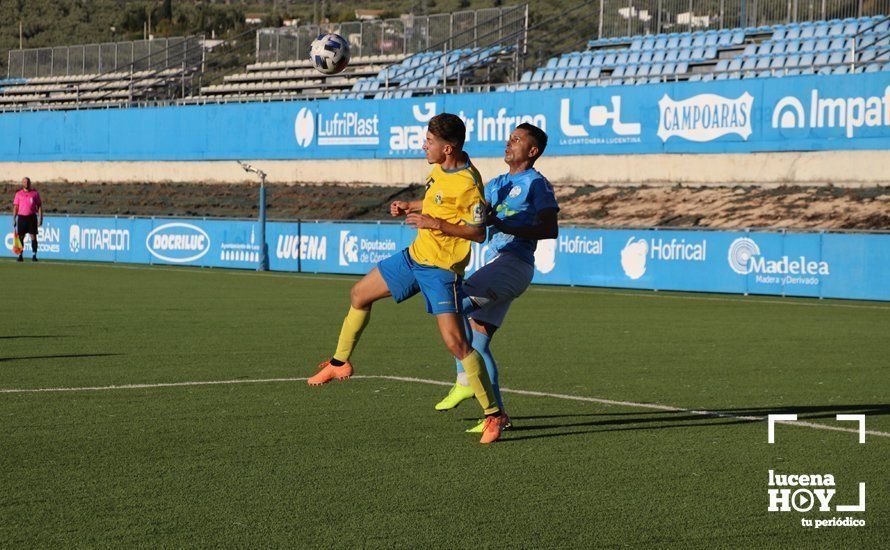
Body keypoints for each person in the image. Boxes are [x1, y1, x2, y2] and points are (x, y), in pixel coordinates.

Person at [307, 113, 509, 444]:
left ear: (448, 148)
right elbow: (436, 200)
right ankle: (338, 363)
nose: (423, 146)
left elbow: (477, 232)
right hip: (414, 257)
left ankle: (493, 416)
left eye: (429, 142)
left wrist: (436, 225)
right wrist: (410, 206)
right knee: (359, 294)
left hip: (442, 271)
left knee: (458, 344)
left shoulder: (470, 184)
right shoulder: (439, 169)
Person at [433, 123, 559, 432]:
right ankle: (497, 416)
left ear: (533, 151)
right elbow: (474, 216)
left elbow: (549, 229)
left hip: (514, 263)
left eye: (517, 140)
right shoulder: (498, 182)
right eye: (509, 138)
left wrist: (503, 223)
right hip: (500, 262)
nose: (508, 143)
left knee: (452, 306)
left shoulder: (536, 184)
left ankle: (464, 379)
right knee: (477, 341)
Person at [12, 177, 43, 262]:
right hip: (21, 217)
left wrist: (40, 218)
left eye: (27, 182)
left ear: (30, 183)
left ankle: (34, 255)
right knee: (21, 237)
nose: (26, 183)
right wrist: (14, 218)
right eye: (24, 182)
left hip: (32, 217)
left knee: (33, 237)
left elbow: (39, 206)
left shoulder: (35, 194)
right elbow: (16, 207)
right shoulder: (18, 194)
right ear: (22, 183)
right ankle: (20, 255)